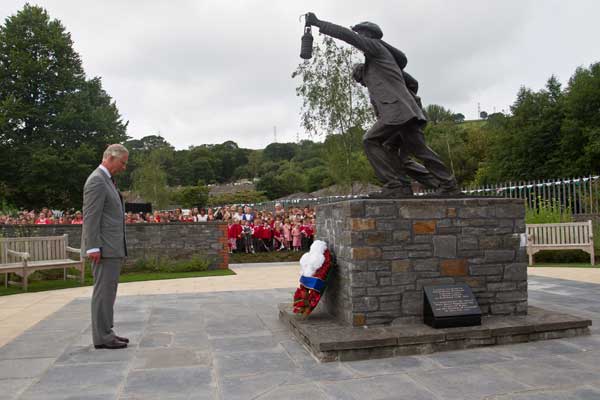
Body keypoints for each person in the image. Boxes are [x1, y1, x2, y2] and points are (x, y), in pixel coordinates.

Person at [305, 13, 459, 198]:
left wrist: (317, 23)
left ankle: (395, 185)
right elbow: (412, 82)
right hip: (404, 112)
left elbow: (347, 35)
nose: (360, 82)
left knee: (369, 140)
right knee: (406, 149)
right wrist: (409, 102)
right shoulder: (384, 61)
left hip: (398, 112)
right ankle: (445, 184)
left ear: (368, 34)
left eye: (360, 33)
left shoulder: (376, 49)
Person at [81, 144, 129, 350]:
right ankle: (103, 337)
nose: (124, 167)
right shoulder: (97, 181)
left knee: (108, 292)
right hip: (104, 249)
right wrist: (93, 247)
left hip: (111, 247)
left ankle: (106, 333)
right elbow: (91, 216)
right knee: (103, 292)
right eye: (123, 162)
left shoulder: (106, 180)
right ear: (110, 158)